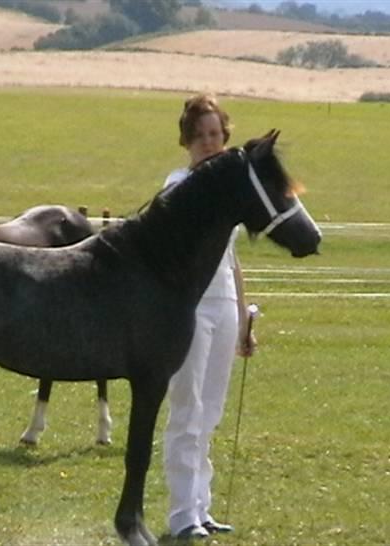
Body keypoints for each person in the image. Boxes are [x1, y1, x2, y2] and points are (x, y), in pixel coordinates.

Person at [163, 94, 257, 540]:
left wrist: (243, 317)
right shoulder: (178, 185)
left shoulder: (230, 194)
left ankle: (203, 507)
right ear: (186, 141)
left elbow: (233, 259)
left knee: (211, 411)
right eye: (200, 136)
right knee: (187, 407)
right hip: (189, 306)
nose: (208, 143)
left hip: (223, 304)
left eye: (215, 135)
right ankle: (182, 514)